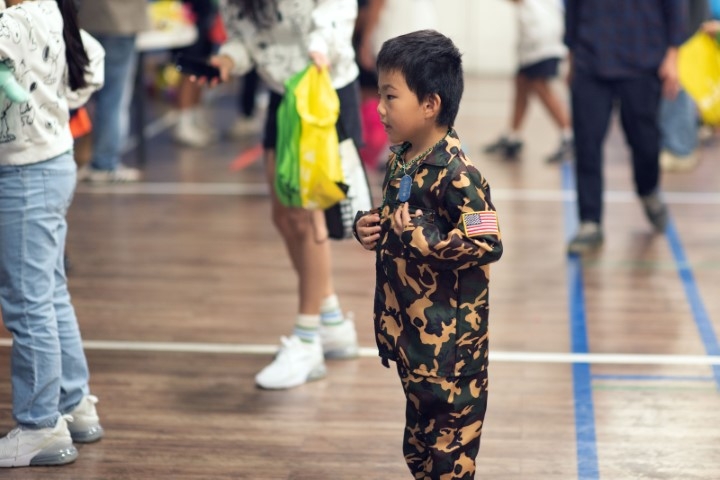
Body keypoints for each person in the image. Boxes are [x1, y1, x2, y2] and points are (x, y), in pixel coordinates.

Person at [353, 30, 504, 479]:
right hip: (410, 340)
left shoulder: (460, 175)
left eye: (390, 96)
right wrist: (371, 224)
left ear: (430, 104)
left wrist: (426, 241)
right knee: (418, 451)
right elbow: (401, 219)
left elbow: (488, 242)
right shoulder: (403, 159)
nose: (379, 108)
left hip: (450, 356)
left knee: (447, 459)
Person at [208, 0, 362, 390]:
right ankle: (331, 321)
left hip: (322, 87)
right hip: (283, 93)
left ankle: (307, 341)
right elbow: (247, 39)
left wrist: (320, 46)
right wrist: (228, 59)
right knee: (283, 215)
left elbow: (337, 11)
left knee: (306, 217)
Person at [0, 0, 105, 468]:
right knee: (48, 292)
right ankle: (73, 404)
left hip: (25, 175)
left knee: (28, 303)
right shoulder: (48, 10)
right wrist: (52, 104)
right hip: (51, 163)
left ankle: (40, 427)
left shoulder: (15, 22)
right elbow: (93, 59)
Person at [564, 0, 687, 254]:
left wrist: (672, 56)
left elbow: (675, 7)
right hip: (591, 61)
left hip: (644, 61)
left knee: (646, 144)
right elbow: (572, 9)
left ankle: (648, 190)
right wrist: (572, 59)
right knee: (586, 145)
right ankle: (590, 221)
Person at [484, 0, 573, 163]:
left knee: (540, 86)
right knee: (521, 82)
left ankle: (569, 135)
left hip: (542, 40)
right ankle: (513, 135)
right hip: (535, 40)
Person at [77, 0, 149, 182]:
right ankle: (104, 164)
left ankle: (89, 160)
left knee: (84, 93)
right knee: (113, 97)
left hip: (88, 17)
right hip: (120, 22)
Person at [659, 0, 713, 172]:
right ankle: (680, 145)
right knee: (679, 88)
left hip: (683, 31)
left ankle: (680, 149)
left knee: (678, 89)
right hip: (684, 28)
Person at [172, 0, 221, 148]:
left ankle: (194, 117)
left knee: (201, 68)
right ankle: (184, 122)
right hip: (189, 16)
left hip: (204, 16)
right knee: (189, 70)